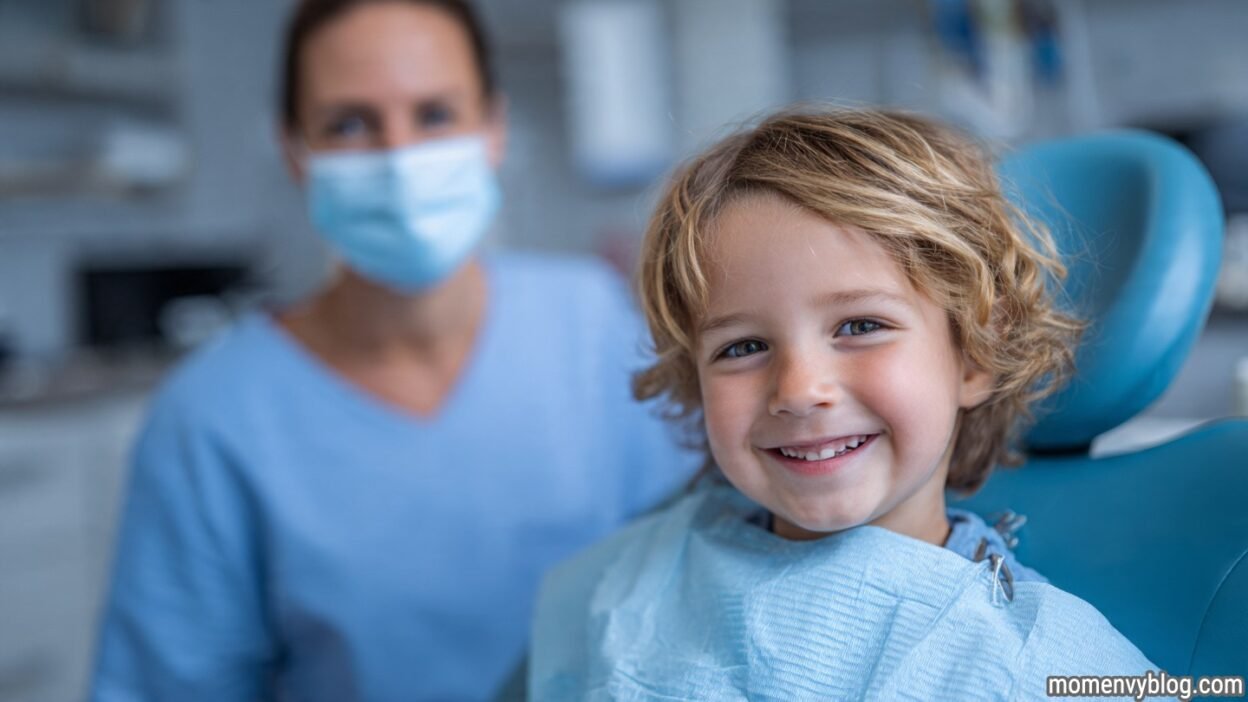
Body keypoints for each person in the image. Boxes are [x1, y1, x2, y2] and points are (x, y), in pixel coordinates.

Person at [89, 1, 695, 700]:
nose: (400, 157)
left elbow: (706, 562)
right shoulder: (209, 422)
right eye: (349, 124)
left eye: (435, 114)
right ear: (294, 150)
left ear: (493, 129)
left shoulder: (597, 324)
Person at [529, 108, 1159, 699]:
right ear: (695, 382)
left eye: (859, 326)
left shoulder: (1047, 662)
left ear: (975, 356)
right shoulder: (622, 585)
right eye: (743, 346)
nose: (799, 389)